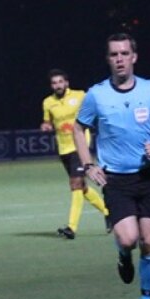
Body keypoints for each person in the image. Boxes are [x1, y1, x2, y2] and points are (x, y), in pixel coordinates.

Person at [74, 34, 150, 299]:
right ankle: (123, 255)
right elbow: (77, 129)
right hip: (116, 180)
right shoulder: (95, 95)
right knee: (128, 240)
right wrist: (88, 165)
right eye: (114, 54)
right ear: (108, 59)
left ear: (134, 57)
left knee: (148, 238)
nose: (119, 59)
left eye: (124, 53)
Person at [40, 69, 109, 239]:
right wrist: (46, 126)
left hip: (80, 146)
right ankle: (109, 212)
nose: (58, 85)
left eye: (60, 82)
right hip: (63, 149)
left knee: (75, 184)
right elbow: (47, 121)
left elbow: (94, 112)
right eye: (54, 83)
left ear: (66, 83)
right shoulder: (48, 102)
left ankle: (71, 227)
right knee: (82, 188)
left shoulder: (80, 96)